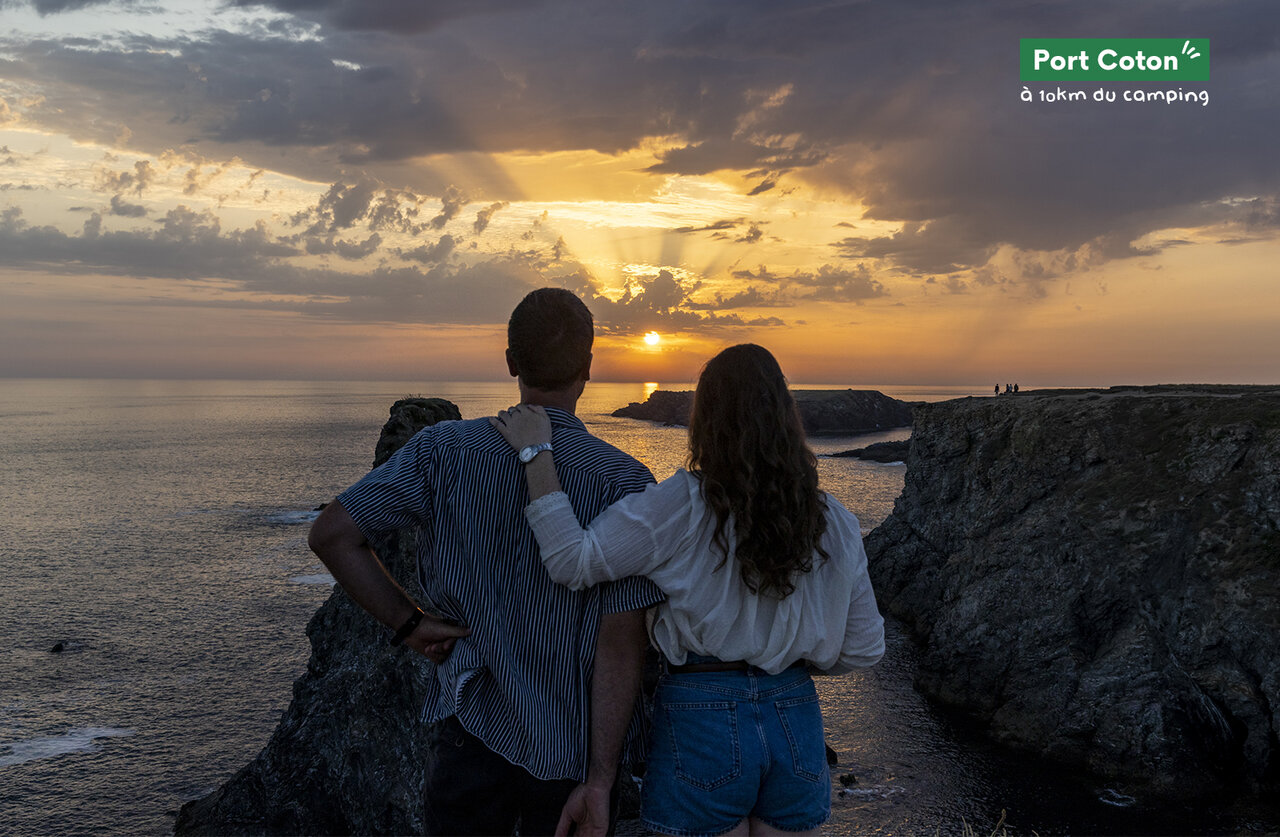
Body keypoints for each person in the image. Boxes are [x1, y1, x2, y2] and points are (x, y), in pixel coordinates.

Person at [308, 288, 664, 836]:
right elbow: (621, 643)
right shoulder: (625, 482)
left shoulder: (443, 450)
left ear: (510, 362)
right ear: (589, 368)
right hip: (572, 749)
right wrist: (601, 780)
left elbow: (333, 535)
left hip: (470, 732)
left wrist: (410, 623)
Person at [491, 343, 885, 837]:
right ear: (787, 416)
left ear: (706, 419)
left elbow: (571, 560)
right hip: (796, 717)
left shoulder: (681, 505)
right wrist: (789, 655)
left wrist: (536, 452)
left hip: (704, 714)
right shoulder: (837, 522)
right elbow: (865, 647)